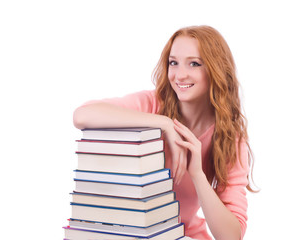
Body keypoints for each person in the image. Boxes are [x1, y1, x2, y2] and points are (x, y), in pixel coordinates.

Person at [73, 25, 255, 240]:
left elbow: (231, 236)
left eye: (194, 63)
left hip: (183, 235)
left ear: (216, 70)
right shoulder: (152, 104)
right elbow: (82, 115)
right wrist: (164, 123)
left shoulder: (228, 137)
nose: (180, 75)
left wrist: (197, 173)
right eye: (173, 63)